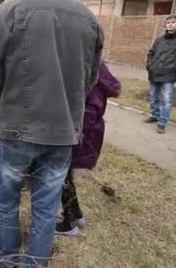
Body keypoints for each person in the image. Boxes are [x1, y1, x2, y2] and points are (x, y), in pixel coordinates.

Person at [0, 0, 103, 267]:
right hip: (62, 132)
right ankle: (34, 263)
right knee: (46, 206)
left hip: (17, 127)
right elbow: (90, 80)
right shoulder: (89, 19)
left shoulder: (11, 10)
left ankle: (6, 259)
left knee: (7, 200)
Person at [55, 62, 121, 236]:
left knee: (62, 175)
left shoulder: (90, 74)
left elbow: (89, 111)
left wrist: (73, 134)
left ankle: (70, 224)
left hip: (82, 135)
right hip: (87, 134)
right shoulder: (96, 69)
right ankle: (76, 215)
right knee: (65, 174)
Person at [144, 15, 176, 134]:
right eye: (168, 22)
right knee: (153, 97)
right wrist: (149, 66)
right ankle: (155, 115)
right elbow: (151, 54)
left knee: (166, 100)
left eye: (173, 22)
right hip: (155, 73)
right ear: (165, 25)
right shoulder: (159, 40)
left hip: (170, 75)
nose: (170, 24)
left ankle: (162, 123)